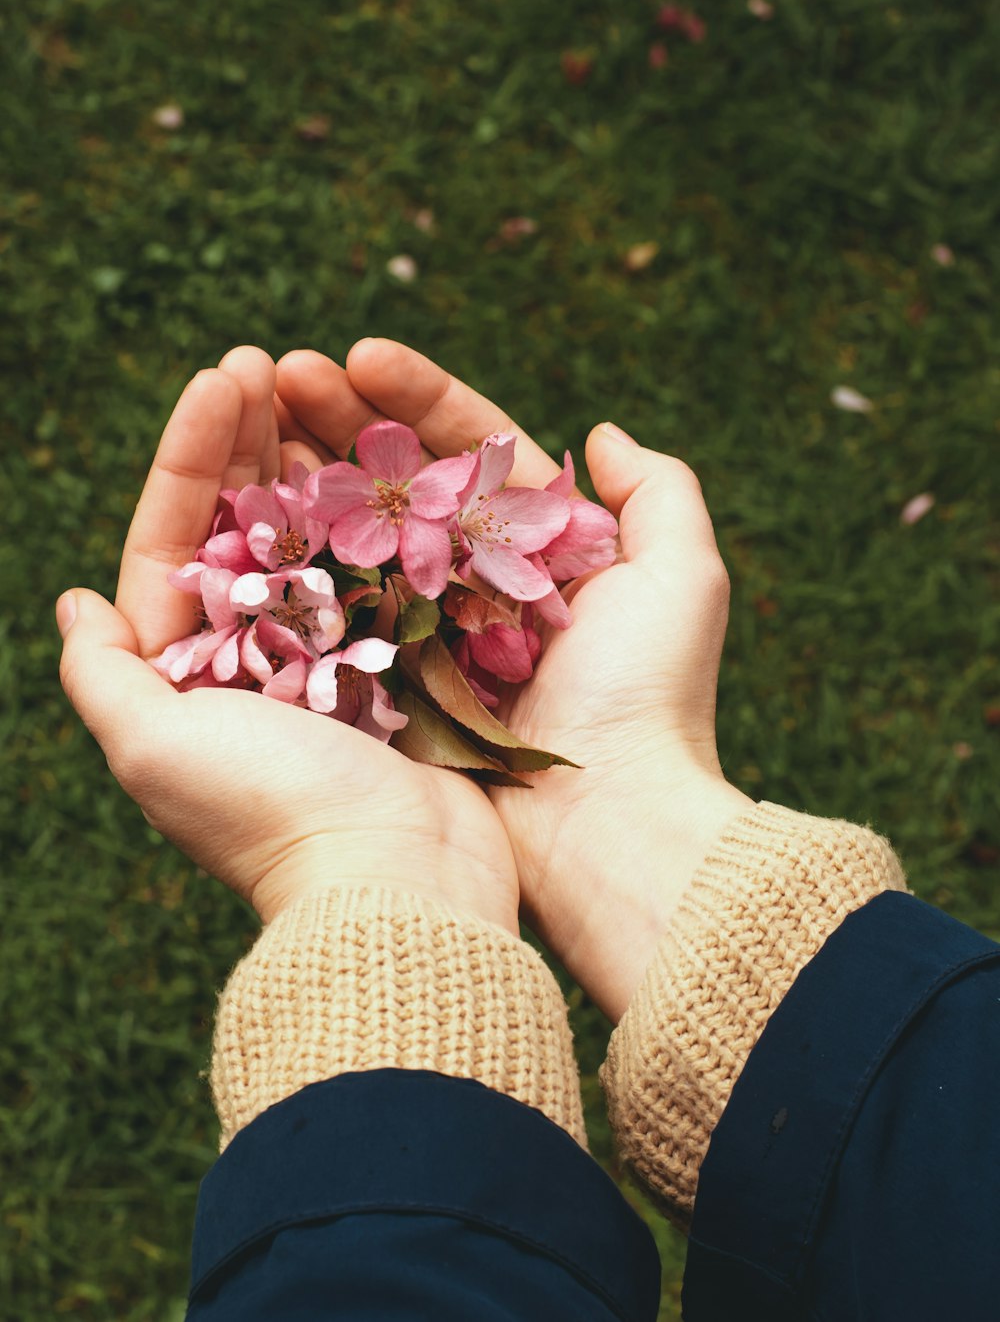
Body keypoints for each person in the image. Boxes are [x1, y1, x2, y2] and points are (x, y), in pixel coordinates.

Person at [57, 341, 1000, 1321]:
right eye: (378, 507)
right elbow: (951, 1167)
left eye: (397, 504)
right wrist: (634, 807)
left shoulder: (439, 545)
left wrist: (372, 858)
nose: (390, 510)